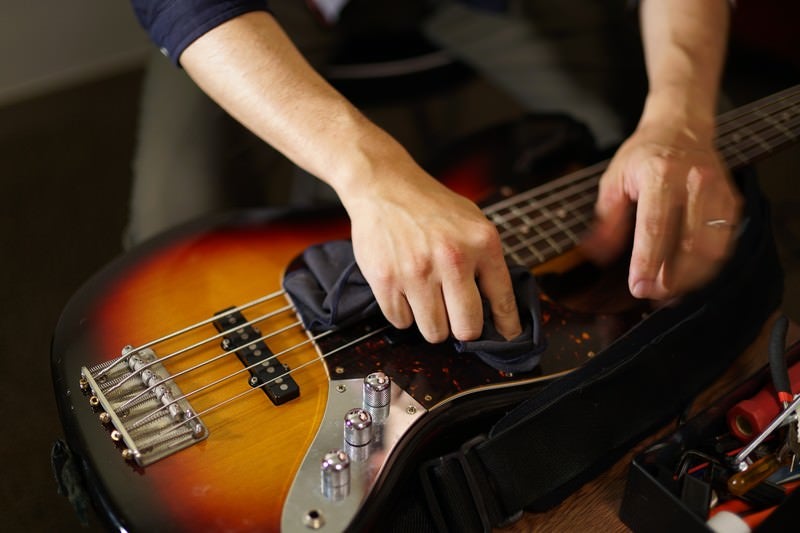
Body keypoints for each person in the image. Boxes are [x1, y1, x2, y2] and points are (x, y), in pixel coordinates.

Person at [125, 0, 740, 346]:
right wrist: (373, 172)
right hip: (245, 11)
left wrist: (679, 116)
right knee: (164, 259)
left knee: (669, 186)